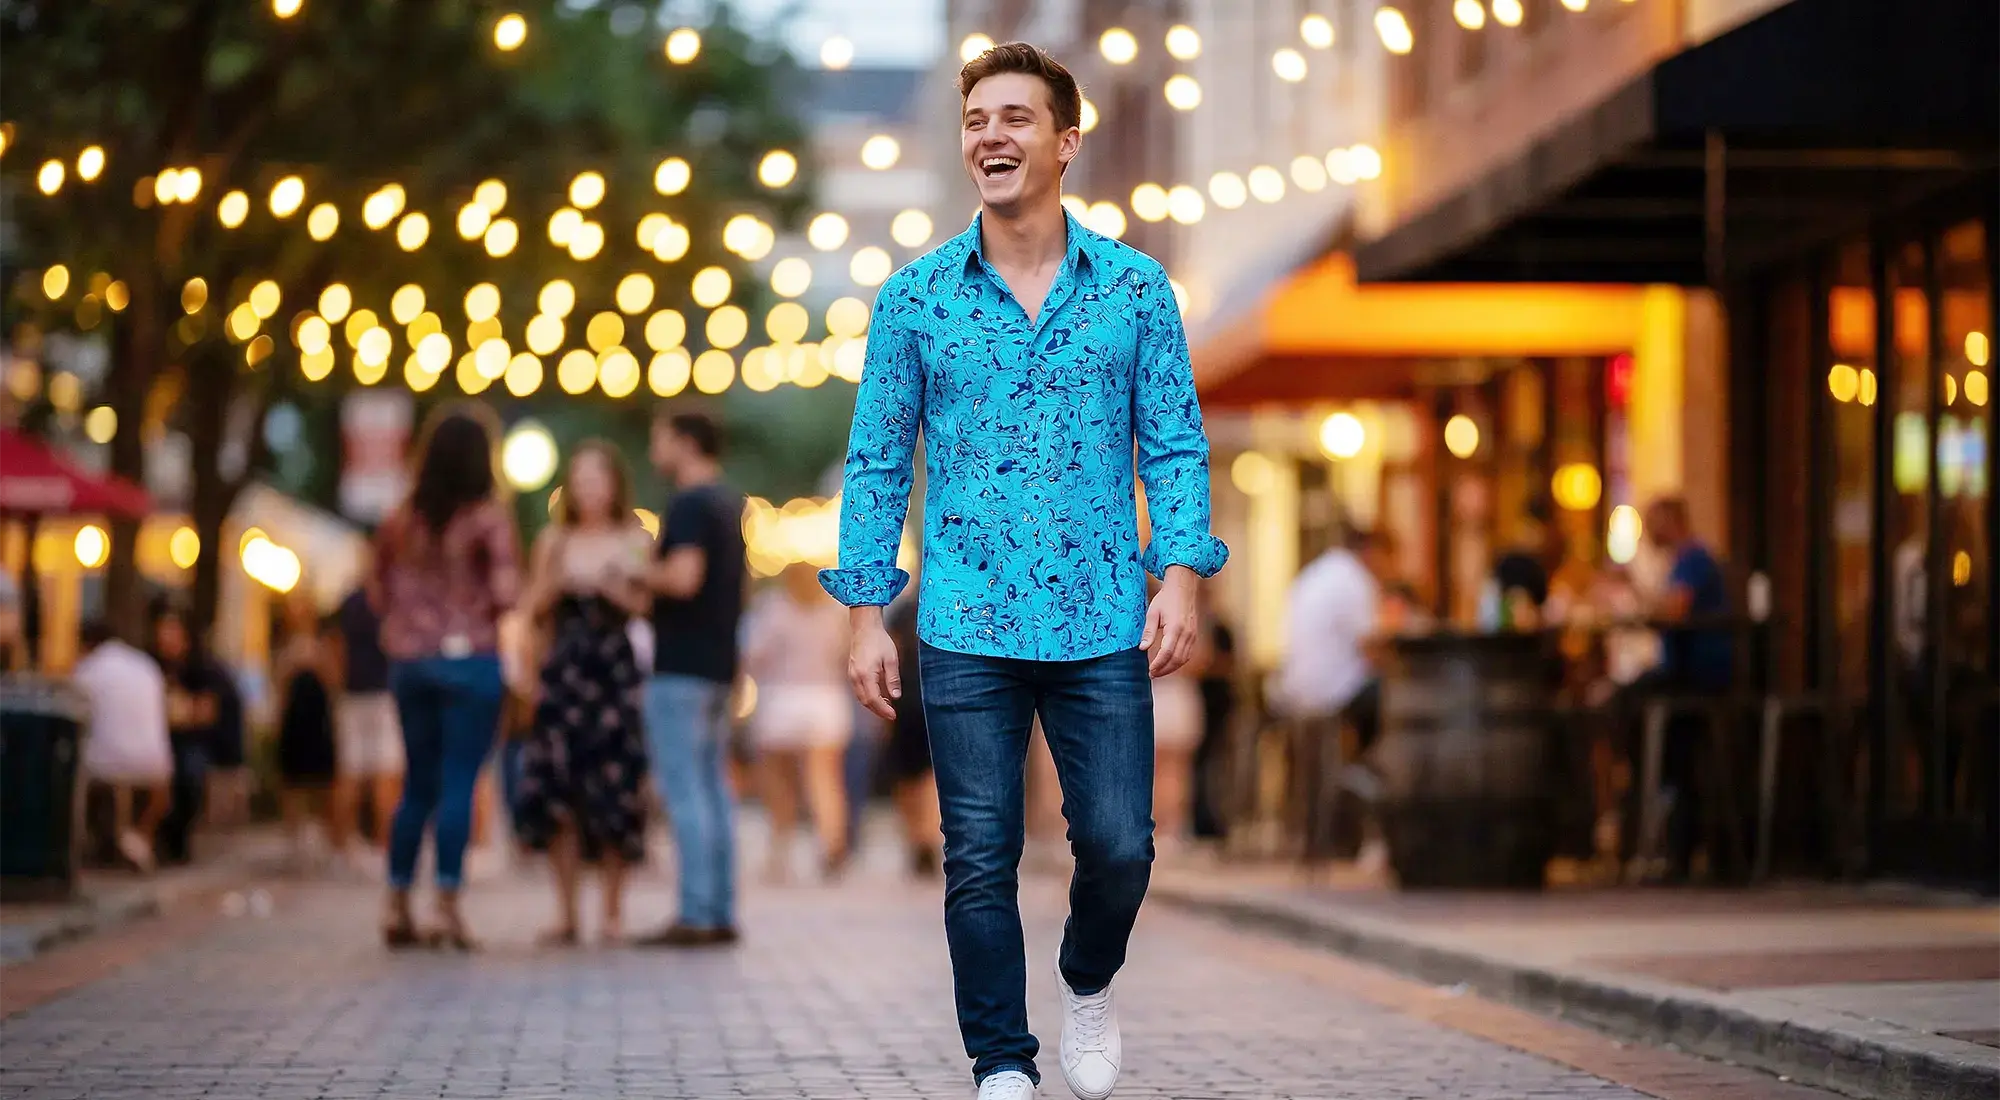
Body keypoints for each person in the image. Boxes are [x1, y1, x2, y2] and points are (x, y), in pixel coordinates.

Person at [820, 42, 1227, 1100]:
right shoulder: (914, 300)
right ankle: (1001, 1059)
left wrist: (1178, 575)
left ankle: (1086, 979)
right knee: (977, 856)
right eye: (975, 121)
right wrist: (866, 611)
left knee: (1118, 846)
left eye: (1013, 117)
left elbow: (1174, 444)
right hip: (963, 619)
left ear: (1064, 140)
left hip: (1101, 616)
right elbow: (875, 458)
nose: (990, 136)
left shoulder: (1136, 290)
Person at [371, 403, 520, 950]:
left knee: (417, 785)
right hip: (471, 664)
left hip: (411, 663)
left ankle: (395, 900)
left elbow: (376, 593)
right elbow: (507, 594)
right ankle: (446, 906)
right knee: (460, 782)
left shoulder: (399, 519)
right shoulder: (487, 519)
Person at [514, 441, 653, 947]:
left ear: (614, 484)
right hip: (565, 674)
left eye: (598, 478)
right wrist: (561, 583)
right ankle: (567, 912)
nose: (589, 489)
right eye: (580, 479)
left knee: (616, 790)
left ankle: (613, 912)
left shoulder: (634, 536)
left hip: (613, 675)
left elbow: (645, 605)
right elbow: (531, 608)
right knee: (561, 795)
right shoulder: (554, 540)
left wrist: (613, 585)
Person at [636, 410, 747, 948]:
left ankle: (696, 912)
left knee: (684, 790)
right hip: (719, 665)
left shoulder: (688, 503)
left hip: (680, 665)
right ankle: (718, 907)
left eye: (659, 438)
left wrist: (631, 570)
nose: (655, 449)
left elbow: (682, 578)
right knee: (713, 789)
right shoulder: (729, 502)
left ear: (684, 443)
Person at [742, 562, 854, 883]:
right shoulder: (834, 613)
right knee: (824, 780)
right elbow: (843, 654)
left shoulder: (773, 609)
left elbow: (754, 654)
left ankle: (781, 849)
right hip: (825, 701)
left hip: (781, 701)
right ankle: (832, 843)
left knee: (780, 783)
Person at [72, 620, 172, 873]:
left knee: (80, 775)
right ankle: (138, 838)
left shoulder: (88, 669)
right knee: (153, 787)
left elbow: (75, 716)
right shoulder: (145, 666)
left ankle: (109, 843)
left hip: (104, 764)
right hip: (156, 764)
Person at [331, 566, 403, 860]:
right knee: (386, 771)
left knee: (351, 771)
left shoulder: (350, 602)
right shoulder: (390, 600)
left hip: (353, 694)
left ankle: (343, 844)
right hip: (384, 693)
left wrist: (338, 685)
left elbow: (334, 646)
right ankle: (385, 845)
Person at [148, 601, 224, 866]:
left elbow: (207, 713)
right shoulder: (153, 665)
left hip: (189, 740)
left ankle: (178, 840)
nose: (165, 638)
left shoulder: (201, 668)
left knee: (188, 772)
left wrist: (182, 711)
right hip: (157, 737)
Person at [274, 589, 341, 870]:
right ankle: (296, 841)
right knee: (292, 783)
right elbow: (279, 687)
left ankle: (328, 839)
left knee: (324, 783)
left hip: (318, 720)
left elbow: (335, 682)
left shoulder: (324, 645)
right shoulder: (283, 649)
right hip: (295, 721)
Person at [883, 594, 942, 878]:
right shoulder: (948, 601)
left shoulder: (902, 610)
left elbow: (890, 655)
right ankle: (928, 835)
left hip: (904, 699)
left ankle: (916, 835)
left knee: (906, 775)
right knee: (931, 773)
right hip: (937, 695)